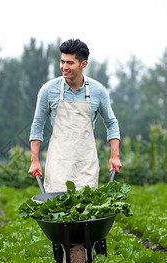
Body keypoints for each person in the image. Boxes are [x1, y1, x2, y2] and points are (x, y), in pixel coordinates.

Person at [28, 39, 122, 192]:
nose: (64, 67)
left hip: (86, 163)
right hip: (58, 162)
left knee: (85, 211)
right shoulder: (48, 90)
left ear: (83, 64)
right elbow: (37, 125)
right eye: (62, 62)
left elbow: (111, 123)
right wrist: (34, 161)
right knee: (57, 210)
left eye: (70, 63)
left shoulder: (98, 91)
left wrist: (115, 156)